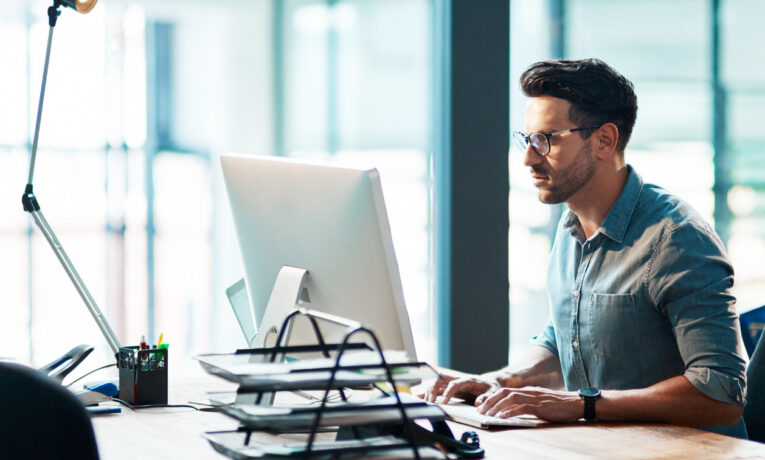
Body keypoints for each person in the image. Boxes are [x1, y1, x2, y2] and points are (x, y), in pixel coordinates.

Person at [421, 58, 748, 437]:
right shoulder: (569, 226)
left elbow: (722, 394)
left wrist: (583, 403)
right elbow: (566, 340)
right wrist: (503, 381)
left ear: (604, 141)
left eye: (546, 139)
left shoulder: (677, 238)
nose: (528, 157)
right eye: (527, 139)